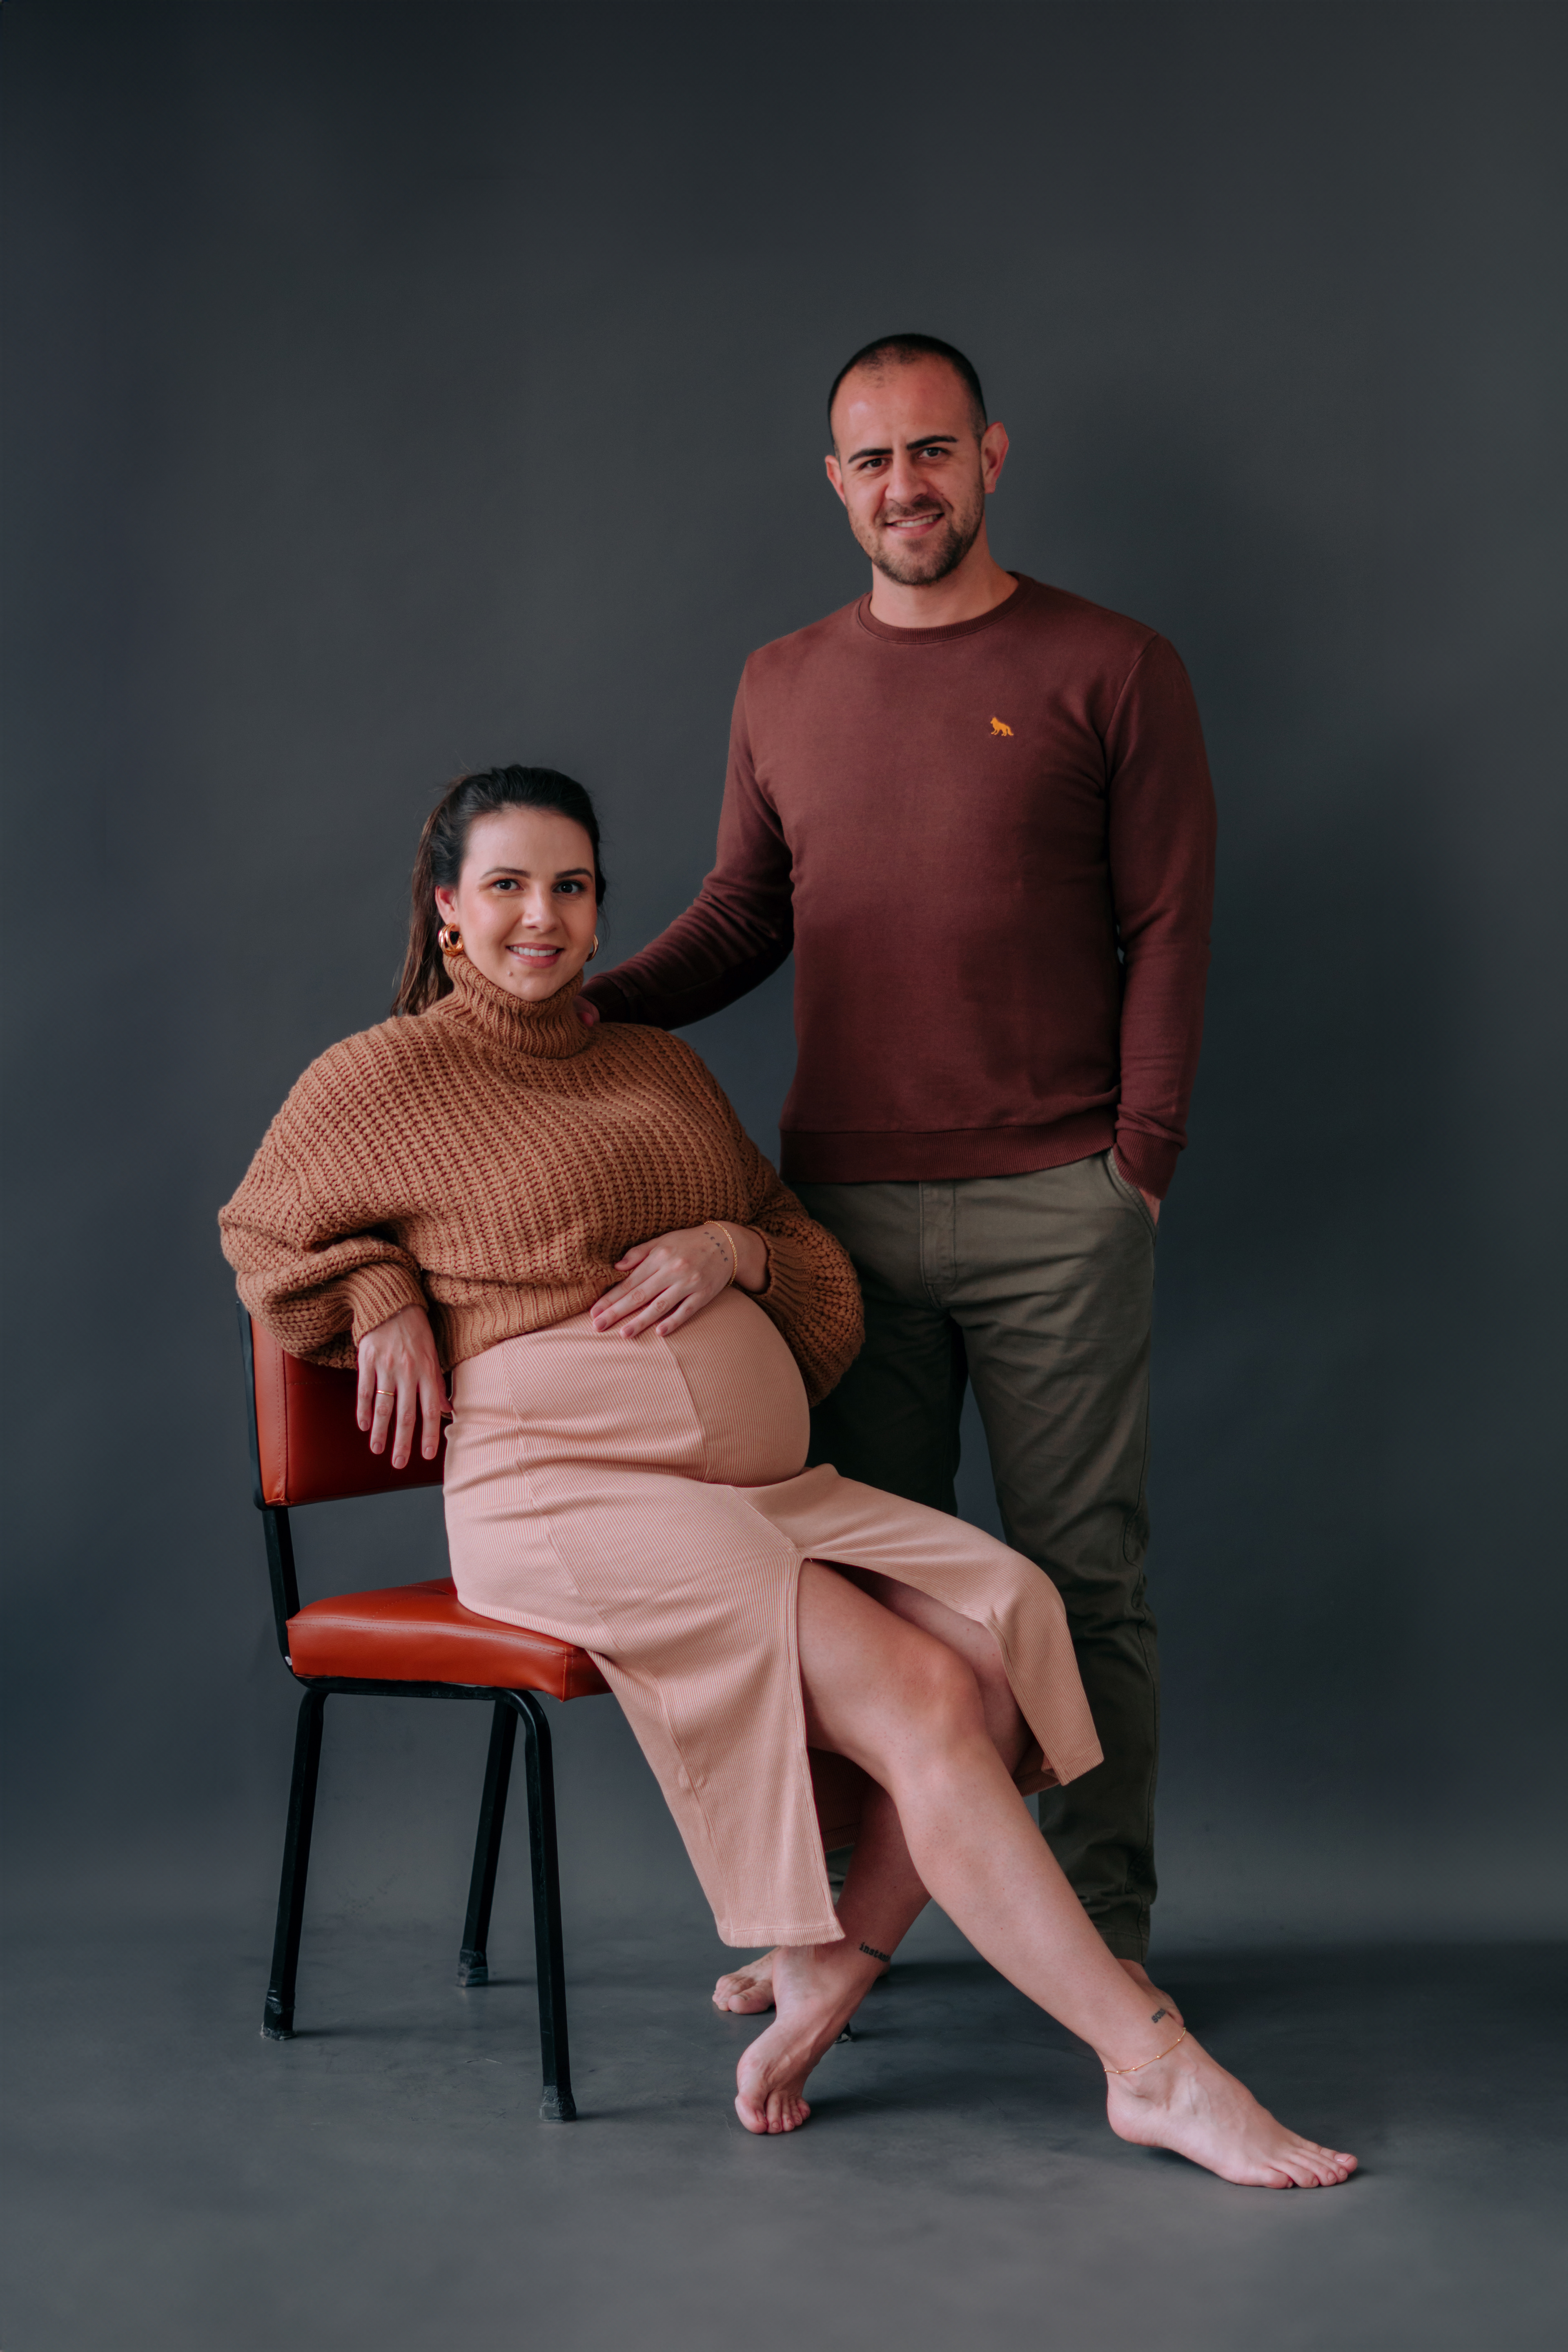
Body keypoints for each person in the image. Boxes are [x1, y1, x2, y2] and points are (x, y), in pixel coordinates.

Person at [219, 763, 1353, 2187]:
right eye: (506, 886)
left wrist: (734, 1250)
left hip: (751, 1490)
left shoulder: (655, 1063)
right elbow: (262, 1233)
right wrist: (379, 1288)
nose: (541, 917)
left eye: (571, 887)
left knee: (1001, 1624)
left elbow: (804, 1253)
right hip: (565, 1491)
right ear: (448, 910)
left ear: (600, 910)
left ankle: (835, 1966)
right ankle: (1154, 2069)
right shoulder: (384, 1077)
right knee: (927, 1693)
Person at [579, 334, 1216, 2025]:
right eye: (871, 461)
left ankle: (1104, 1929)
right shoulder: (781, 681)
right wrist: (579, 1009)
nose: (904, 487)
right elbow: (743, 916)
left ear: (992, 458)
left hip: (1058, 1201)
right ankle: (844, 1929)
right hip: (835, 1223)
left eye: (933, 452)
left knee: (1083, 1580)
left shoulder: (1114, 665)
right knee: (856, 1596)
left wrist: (1140, 1160)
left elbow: (1168, 924)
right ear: (835, 483)